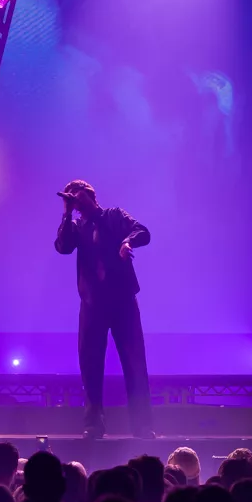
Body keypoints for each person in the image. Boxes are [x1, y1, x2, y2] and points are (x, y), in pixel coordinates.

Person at [54, 180, 153, 439]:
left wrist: (127, 242)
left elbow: (142, 231)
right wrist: (66, 213)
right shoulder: (76, 227)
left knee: (134, 362)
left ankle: (142, 426)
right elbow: (63, 247)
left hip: (122, 301)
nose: (75, 200)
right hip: (92, 303)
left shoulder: (114, 216)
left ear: (90, 195)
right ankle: (93, 425)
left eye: (78, 195)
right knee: (90, 363)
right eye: (71, 197)